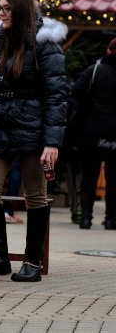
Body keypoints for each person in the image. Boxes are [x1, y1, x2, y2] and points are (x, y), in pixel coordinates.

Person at [0, 0, 67, 282]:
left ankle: (32, 263)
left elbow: (56, 97)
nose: (1, 13)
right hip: (0, 125)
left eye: (6, 8)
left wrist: (52, 142)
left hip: (33, 129)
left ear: (21, 10)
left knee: (35, 196)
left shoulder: (46, 45)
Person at [71, 37, 116, 230]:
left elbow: (76, 92)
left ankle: (86, 218)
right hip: (114, 133)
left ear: (108, 51)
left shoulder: (94, 71)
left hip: (91, 131)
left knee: (89, 177)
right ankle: (111, 219)